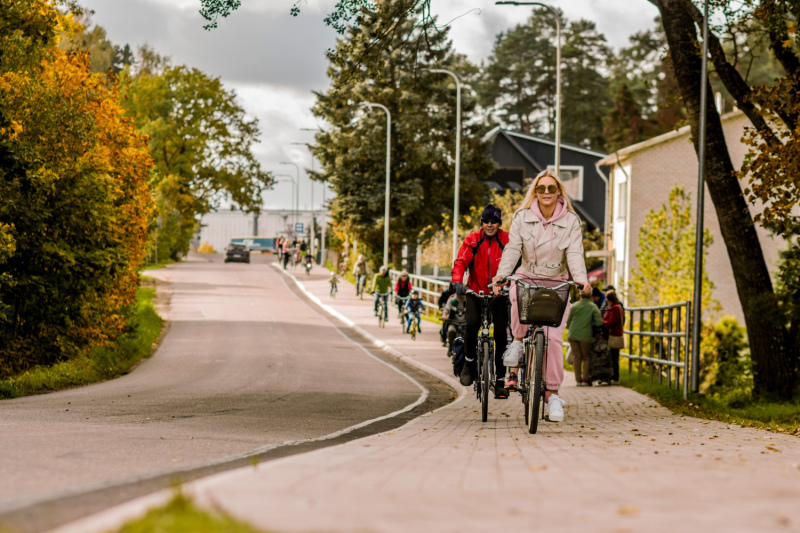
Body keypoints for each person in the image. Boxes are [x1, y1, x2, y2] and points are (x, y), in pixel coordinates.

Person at [492, 169, 591, 423]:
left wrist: (581, 279)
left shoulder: (571, 221)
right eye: (541, 188)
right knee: (515, 291)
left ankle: (553, 395)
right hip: (528, 277)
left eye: (551, 188)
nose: (546, 192)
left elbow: (575, 254)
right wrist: (501, 275)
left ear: (559, 192)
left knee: (554, 339)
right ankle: (516, 341)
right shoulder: (522, 217)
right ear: (535, 191)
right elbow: (513, 249)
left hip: (557, 282)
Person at [451, 204, 510, 399]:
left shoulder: (507, 240)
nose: (490, 224)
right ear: (481, 223)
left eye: (493, 221)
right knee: (473, 323)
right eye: (486, 221)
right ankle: (469, 364)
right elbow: (460, 261)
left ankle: (500, 381)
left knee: (501, 332)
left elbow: (517, 262)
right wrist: (458, 282)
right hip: (475, 292)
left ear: (499, 223)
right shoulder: (473, 240)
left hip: (499, 293)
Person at [566, 291, 602, 386]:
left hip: (573, 334)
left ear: (580, 295)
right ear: (590, 296)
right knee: (586, 357)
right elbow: (599, 321)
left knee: (576, 357)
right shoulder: (593, 307)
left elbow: (568, 321)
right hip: (586, 335)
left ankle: (578, 380)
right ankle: (585, 379)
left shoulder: (574, 306)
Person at [603, 290, 624, 385]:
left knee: (614, 357)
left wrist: (602, 322)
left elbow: (611, 321)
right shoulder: (617, 307)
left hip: (613, 335)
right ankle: (614, 377)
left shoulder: (614, 308)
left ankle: (615, 378)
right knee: (614, 357)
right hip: (615, 334)